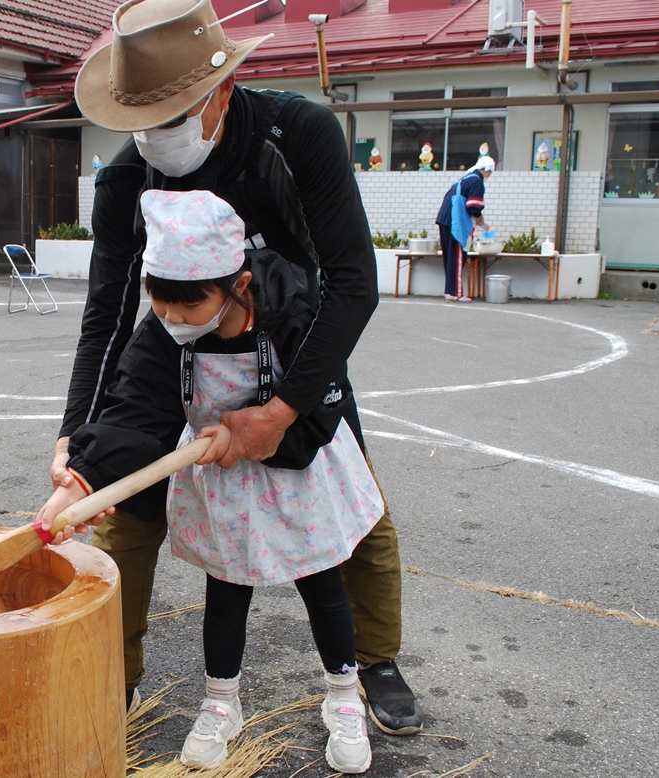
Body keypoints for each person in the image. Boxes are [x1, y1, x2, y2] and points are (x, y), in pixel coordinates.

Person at [52, 0, 424, 735]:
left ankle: (374, 660)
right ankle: (112, 676)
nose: (157, 138)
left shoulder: (297, 135)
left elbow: (352, 281)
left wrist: (285, 410)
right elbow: (109, 313)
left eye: (173, 116)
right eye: (142, 122)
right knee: (126, 514)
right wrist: (77, 437)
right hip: (177, 346)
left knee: (350, 499)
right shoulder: (125, 181)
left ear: (222, 89)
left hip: (293, 334)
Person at [40, 190, 381, 773]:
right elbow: (133, 409)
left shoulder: (294, 310)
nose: (173, 319)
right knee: (225, 592)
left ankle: (344, 696)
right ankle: (221, 701)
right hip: (225, 488)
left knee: (323, 585)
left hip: (300, 475)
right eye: (160, 302)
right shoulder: (165, 330)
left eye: (189, 306)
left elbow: (322, 407)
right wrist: (82, 480)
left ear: (239, 286)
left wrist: (249, 435)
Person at [435, 155, 494, 303]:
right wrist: (480, 219)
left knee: (450, 257)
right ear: (487, 170)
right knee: (457, 257)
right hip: (455, 221)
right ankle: (456, 293)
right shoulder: (477, 181)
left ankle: (450, 291)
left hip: (444, 219)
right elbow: (473, 205)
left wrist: (481, 221)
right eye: (490, 172)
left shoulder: (464, 179)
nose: (489, 175)